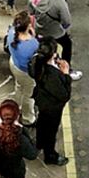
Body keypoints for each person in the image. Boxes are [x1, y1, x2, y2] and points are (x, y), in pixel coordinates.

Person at [28, 37, 73, 166]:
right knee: (51, 131)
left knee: (42, 123)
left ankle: (39, 142)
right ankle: (50, 155)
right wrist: (65, 74)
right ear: (53, 54)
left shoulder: (35, 61)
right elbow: (64, 95)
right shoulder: (52, 75)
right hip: (52, 108)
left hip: (41, 102)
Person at [28, 0, 81, 76]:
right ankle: (67, 70)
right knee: (67, 45)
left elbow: (31, 14)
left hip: (40, 31)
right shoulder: (59, 2)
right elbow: (67, 21)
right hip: (57, 33)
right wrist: (63, 28)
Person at [5, 11, 39, 125]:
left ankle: (16, 105)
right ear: (29, 26)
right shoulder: (33, 44)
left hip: (14, 64)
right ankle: (28, 118)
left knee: (19, 86)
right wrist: (33, 36)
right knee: (29, 95)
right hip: (26, 72)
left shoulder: (11, 33)